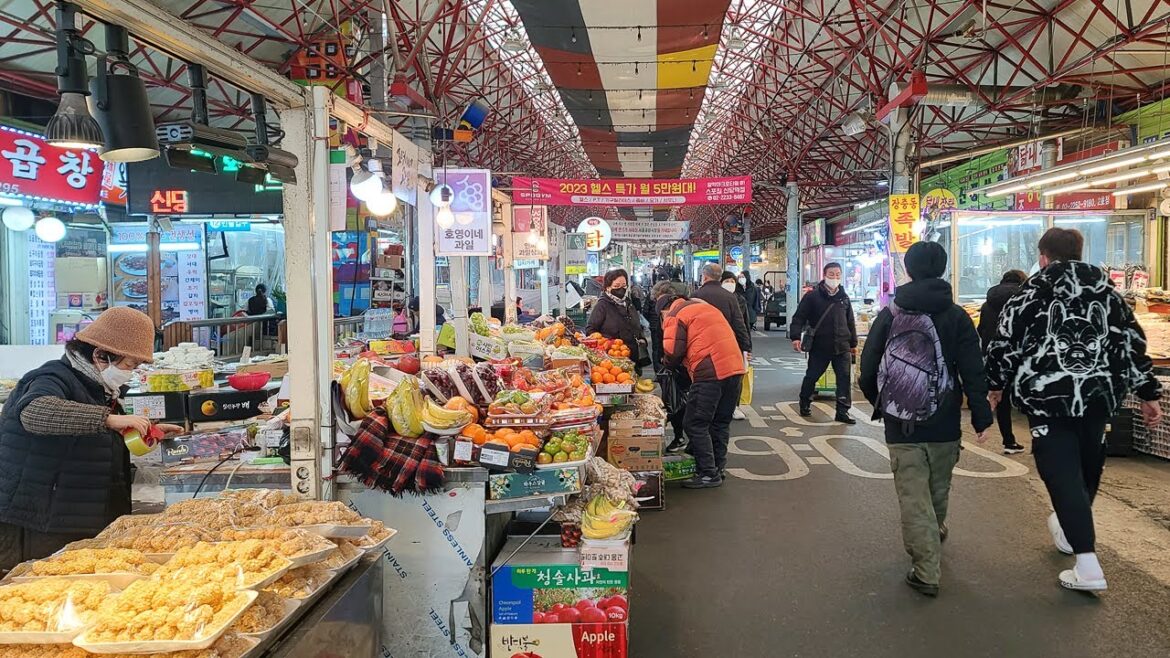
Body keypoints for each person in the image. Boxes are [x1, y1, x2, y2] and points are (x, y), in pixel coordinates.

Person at [985, 228, 1162, 592]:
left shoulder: (1030, 294)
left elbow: (1004, 343)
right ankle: (1069, 529)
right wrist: (1148, 392)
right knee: (1087, 466)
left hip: (1047, 398)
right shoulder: (1109, 294)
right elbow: (1132, 343)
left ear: (1044, 257)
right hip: (1099, 396)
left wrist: (994, 385)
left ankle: (1088, 563)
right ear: (1080, 254)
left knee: (1060, 470)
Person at [0, 307, 183, 571]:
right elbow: (34, 412)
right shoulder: (52, 377)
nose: (131, 373)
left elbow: (90, 437)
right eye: (129, 365)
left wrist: (145, 433)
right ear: (100, 355)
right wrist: (109, 419)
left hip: (78, 516)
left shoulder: (99, 386)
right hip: (40, 523)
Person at [859, 242, 992, 597]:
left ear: (909, 269)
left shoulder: (890, 314)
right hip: (945, 420)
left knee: (913, 495)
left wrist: (885, 404)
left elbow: (867, 368)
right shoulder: (958, 316)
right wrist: (981, 415)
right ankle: (935, 533)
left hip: (901, 423)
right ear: (944, 269)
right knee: (937, 488)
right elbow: (973, 370)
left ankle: (926, 570)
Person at [658, 285, 747, 489]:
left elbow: (673, 352)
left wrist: (666, 363)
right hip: (734, 369)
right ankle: (718, 468)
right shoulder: (704, 308)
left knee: (695, 423)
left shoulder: (674, 314)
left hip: (710, 373)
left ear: (664, 310)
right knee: (720, 422)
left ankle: (707, 473)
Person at [789, 262, 858, 424]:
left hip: (842, 346)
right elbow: (798, 318)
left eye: (838, 274)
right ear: (824, 275)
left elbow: (850, 321)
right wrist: (795, 337)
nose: (835, 277)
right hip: (820, 346)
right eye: (832, 274)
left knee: (844, 379)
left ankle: (842, 411)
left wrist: (853, 343)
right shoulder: (812, 296)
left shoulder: (844, 297)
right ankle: (805, 401)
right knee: (812, 375)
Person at [978, 270, 1028, 455]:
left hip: (994, 356)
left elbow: (981, 329)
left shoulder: (987, 304)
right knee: (1029, 397)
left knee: (1001, 399)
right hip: (1019, 357)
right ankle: (1039, 441)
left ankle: (1009, 441)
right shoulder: (1024, 302)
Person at [586, 268, 644, 367]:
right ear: (608, 288)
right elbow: (590, 330)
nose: (621, 289)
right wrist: (608, 343)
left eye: (624, 286)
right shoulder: (602, 305)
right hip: (612, 359)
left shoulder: (628, 303)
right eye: (616, 286)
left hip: (632, 357)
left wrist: (642, 338)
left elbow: (635, 324)